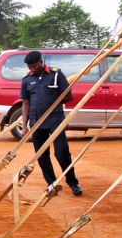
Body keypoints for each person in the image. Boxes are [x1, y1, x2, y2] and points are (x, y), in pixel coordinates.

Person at [20, 50, 82, 195]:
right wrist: (24, 126)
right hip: (37, 122)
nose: (32, 69)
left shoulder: (56, 74)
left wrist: (54, 104)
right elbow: (25, 103)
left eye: (34, 66)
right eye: (29, 67)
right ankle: (51, 184)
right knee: (42, 155)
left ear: (41, 62)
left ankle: (73, 183)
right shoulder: (27, 80)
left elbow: (68, 96)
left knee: (62, 153)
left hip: (55, 121)